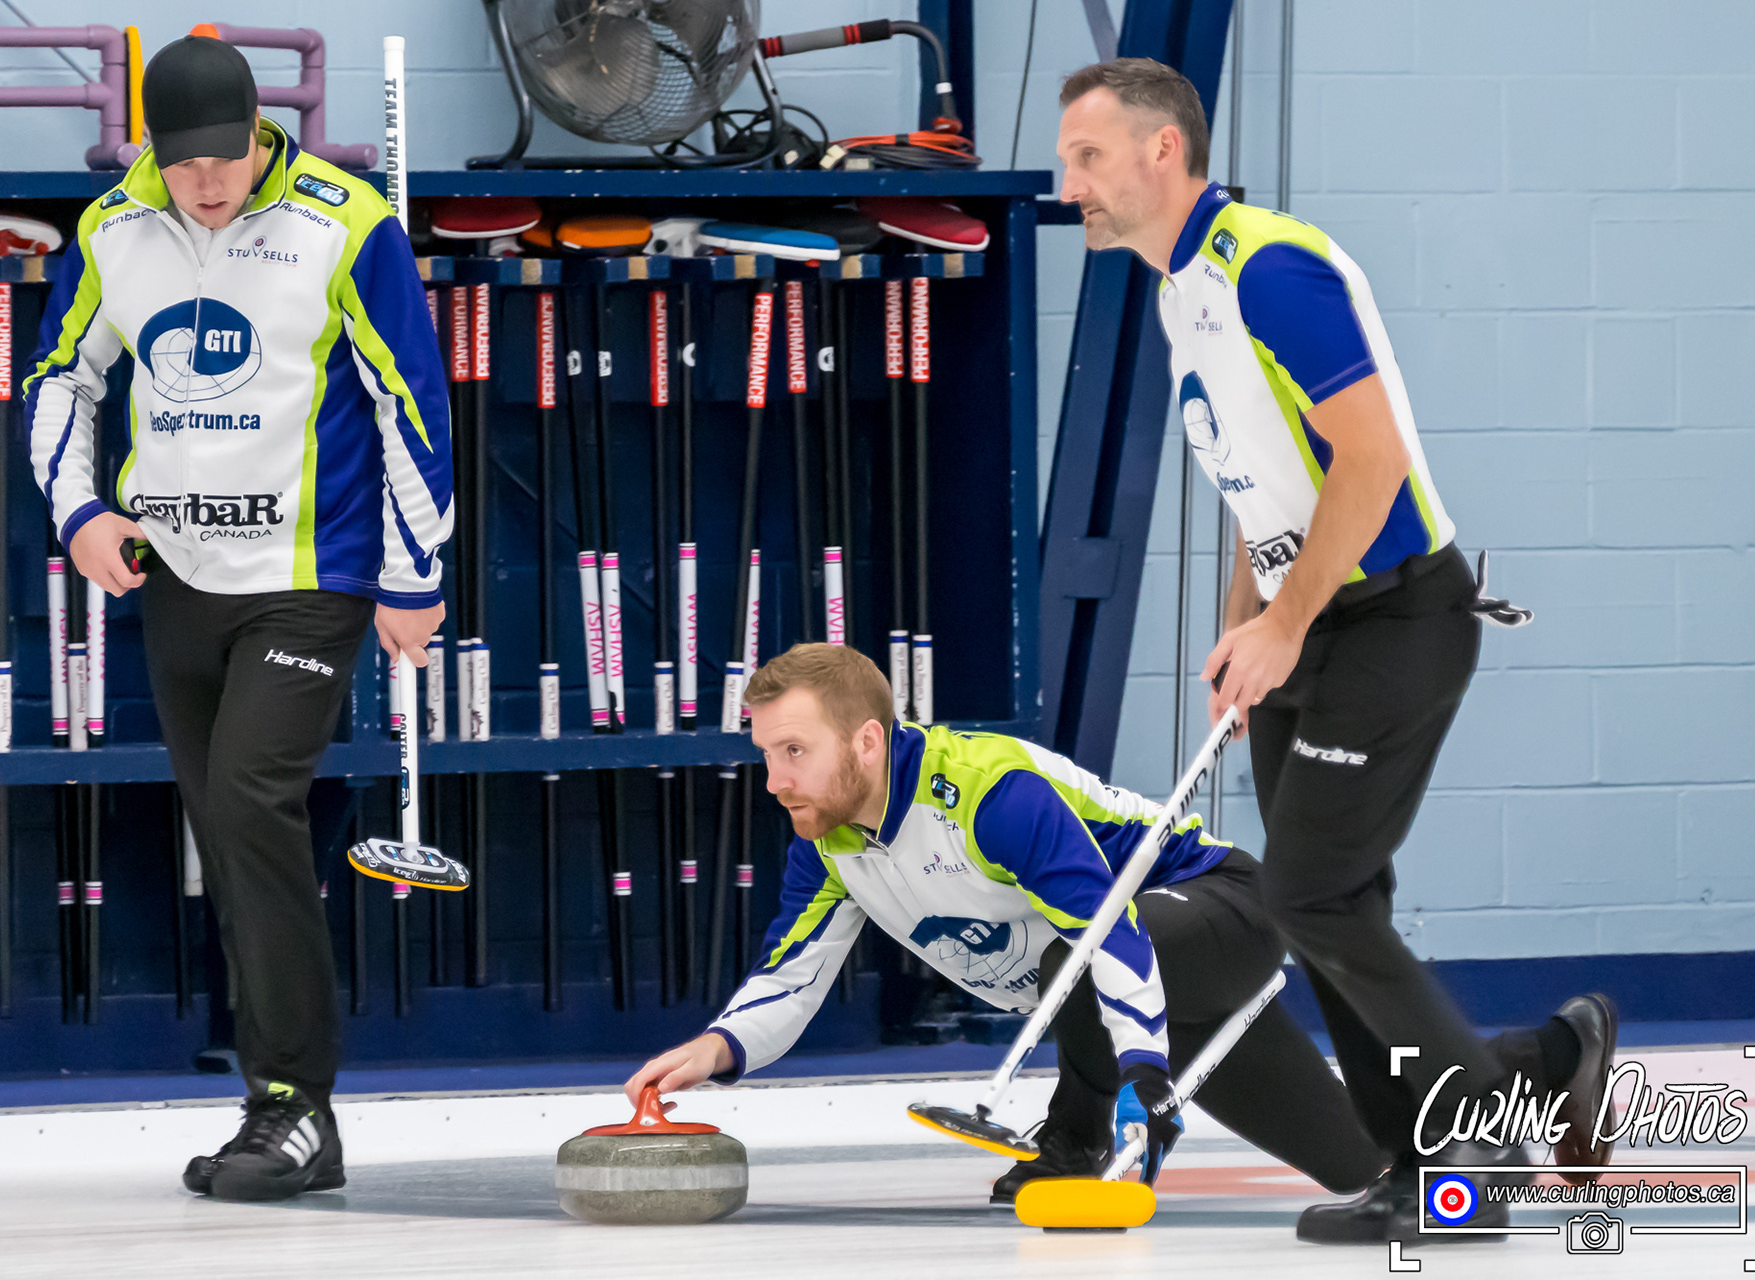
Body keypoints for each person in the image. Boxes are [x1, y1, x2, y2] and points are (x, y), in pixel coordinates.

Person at [1052, 58, 1617, 1244]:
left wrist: (1286, 622)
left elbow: (1370, 461)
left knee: (1308, 891)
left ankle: (1480, 1137)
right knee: (1332, 906)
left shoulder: (1272, 267)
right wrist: (1242, 625)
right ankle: (1450, 1141)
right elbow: (1256, 485)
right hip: (1306, 623)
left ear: (1164, 150)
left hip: (1393, 617)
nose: (1071, 185)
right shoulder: (1180, 293)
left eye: (1088, 157)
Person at [624, 645, 1613, 1216]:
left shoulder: (991, 795)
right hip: (1129, 982)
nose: (775, 779)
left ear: (868, 741)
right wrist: (713, 1050)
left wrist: (1137, 1083)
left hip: (1217, 908)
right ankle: (1553, 1057)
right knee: (1364, 1161)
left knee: (1075, 959)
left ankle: (1075, 1137)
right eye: (767, 754)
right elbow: (789, 979)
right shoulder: (830, 840)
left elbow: (1109, 939)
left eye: (793, 751)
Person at [26, 34, 452, 1202]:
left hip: (312, 575)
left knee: (255, 803)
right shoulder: (113, 227)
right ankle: (284, 1106)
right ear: (151, 151)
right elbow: (62, 378)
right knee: (224, 827)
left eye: (225, 155)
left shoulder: (346, 223)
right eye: (183, 161)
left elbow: (410, 398)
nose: (206, 180)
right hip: (175, 575)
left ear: (260, 131)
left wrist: (414, 572)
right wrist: (79, 511)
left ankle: (294, 1102)